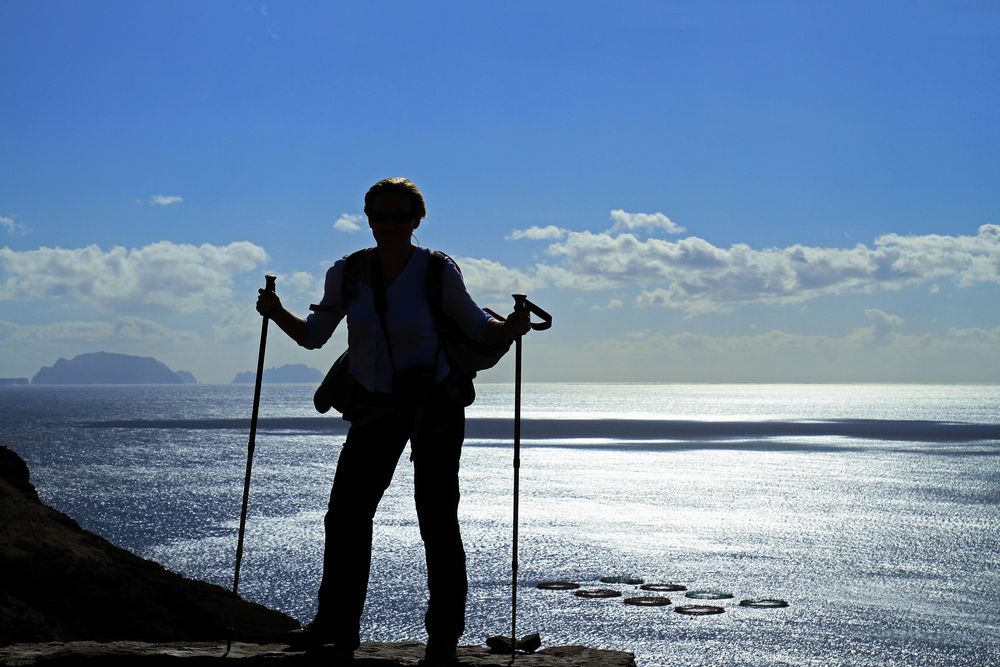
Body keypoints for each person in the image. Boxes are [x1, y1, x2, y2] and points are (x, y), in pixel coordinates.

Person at [255, 177, 531, 665]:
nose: (388, 224)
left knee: (436, 519)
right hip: (378, 406)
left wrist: (506, 328)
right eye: (379, 216)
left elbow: (473, 324)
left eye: (398, 216)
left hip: (434, 406)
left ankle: (441, 637)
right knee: (345, 518)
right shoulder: (348, 272)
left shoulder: (437, 271)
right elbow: (316, 335)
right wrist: (277, 313)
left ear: (416, 220)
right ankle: (337, 626)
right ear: (368, 217)